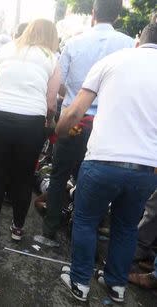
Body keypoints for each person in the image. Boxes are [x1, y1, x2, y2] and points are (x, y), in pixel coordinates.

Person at [58, 23, 157, 303]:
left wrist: (61, 130)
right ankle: (116, 285)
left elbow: (76, 109)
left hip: (103, 160)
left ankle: (79, 282)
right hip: (146, 169)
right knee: (126, 227)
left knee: (86, 220)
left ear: (139, 41)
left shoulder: (113, 60)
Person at [36, 0, 135, 248]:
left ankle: (49, 230)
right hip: (107, 125)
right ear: (118, 16)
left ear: (93, 13)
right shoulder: (128, 45)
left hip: (73, 120)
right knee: (94, 181)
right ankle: (83, 231)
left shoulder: (75, 42)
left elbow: (59, 83)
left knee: (59, 176)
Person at [0, 19, 61, 246]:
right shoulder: (50, 58)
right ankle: (17, 229)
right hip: (31, 122)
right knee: (23, 178)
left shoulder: (5, 49)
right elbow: (51, 103)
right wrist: (49, 121)